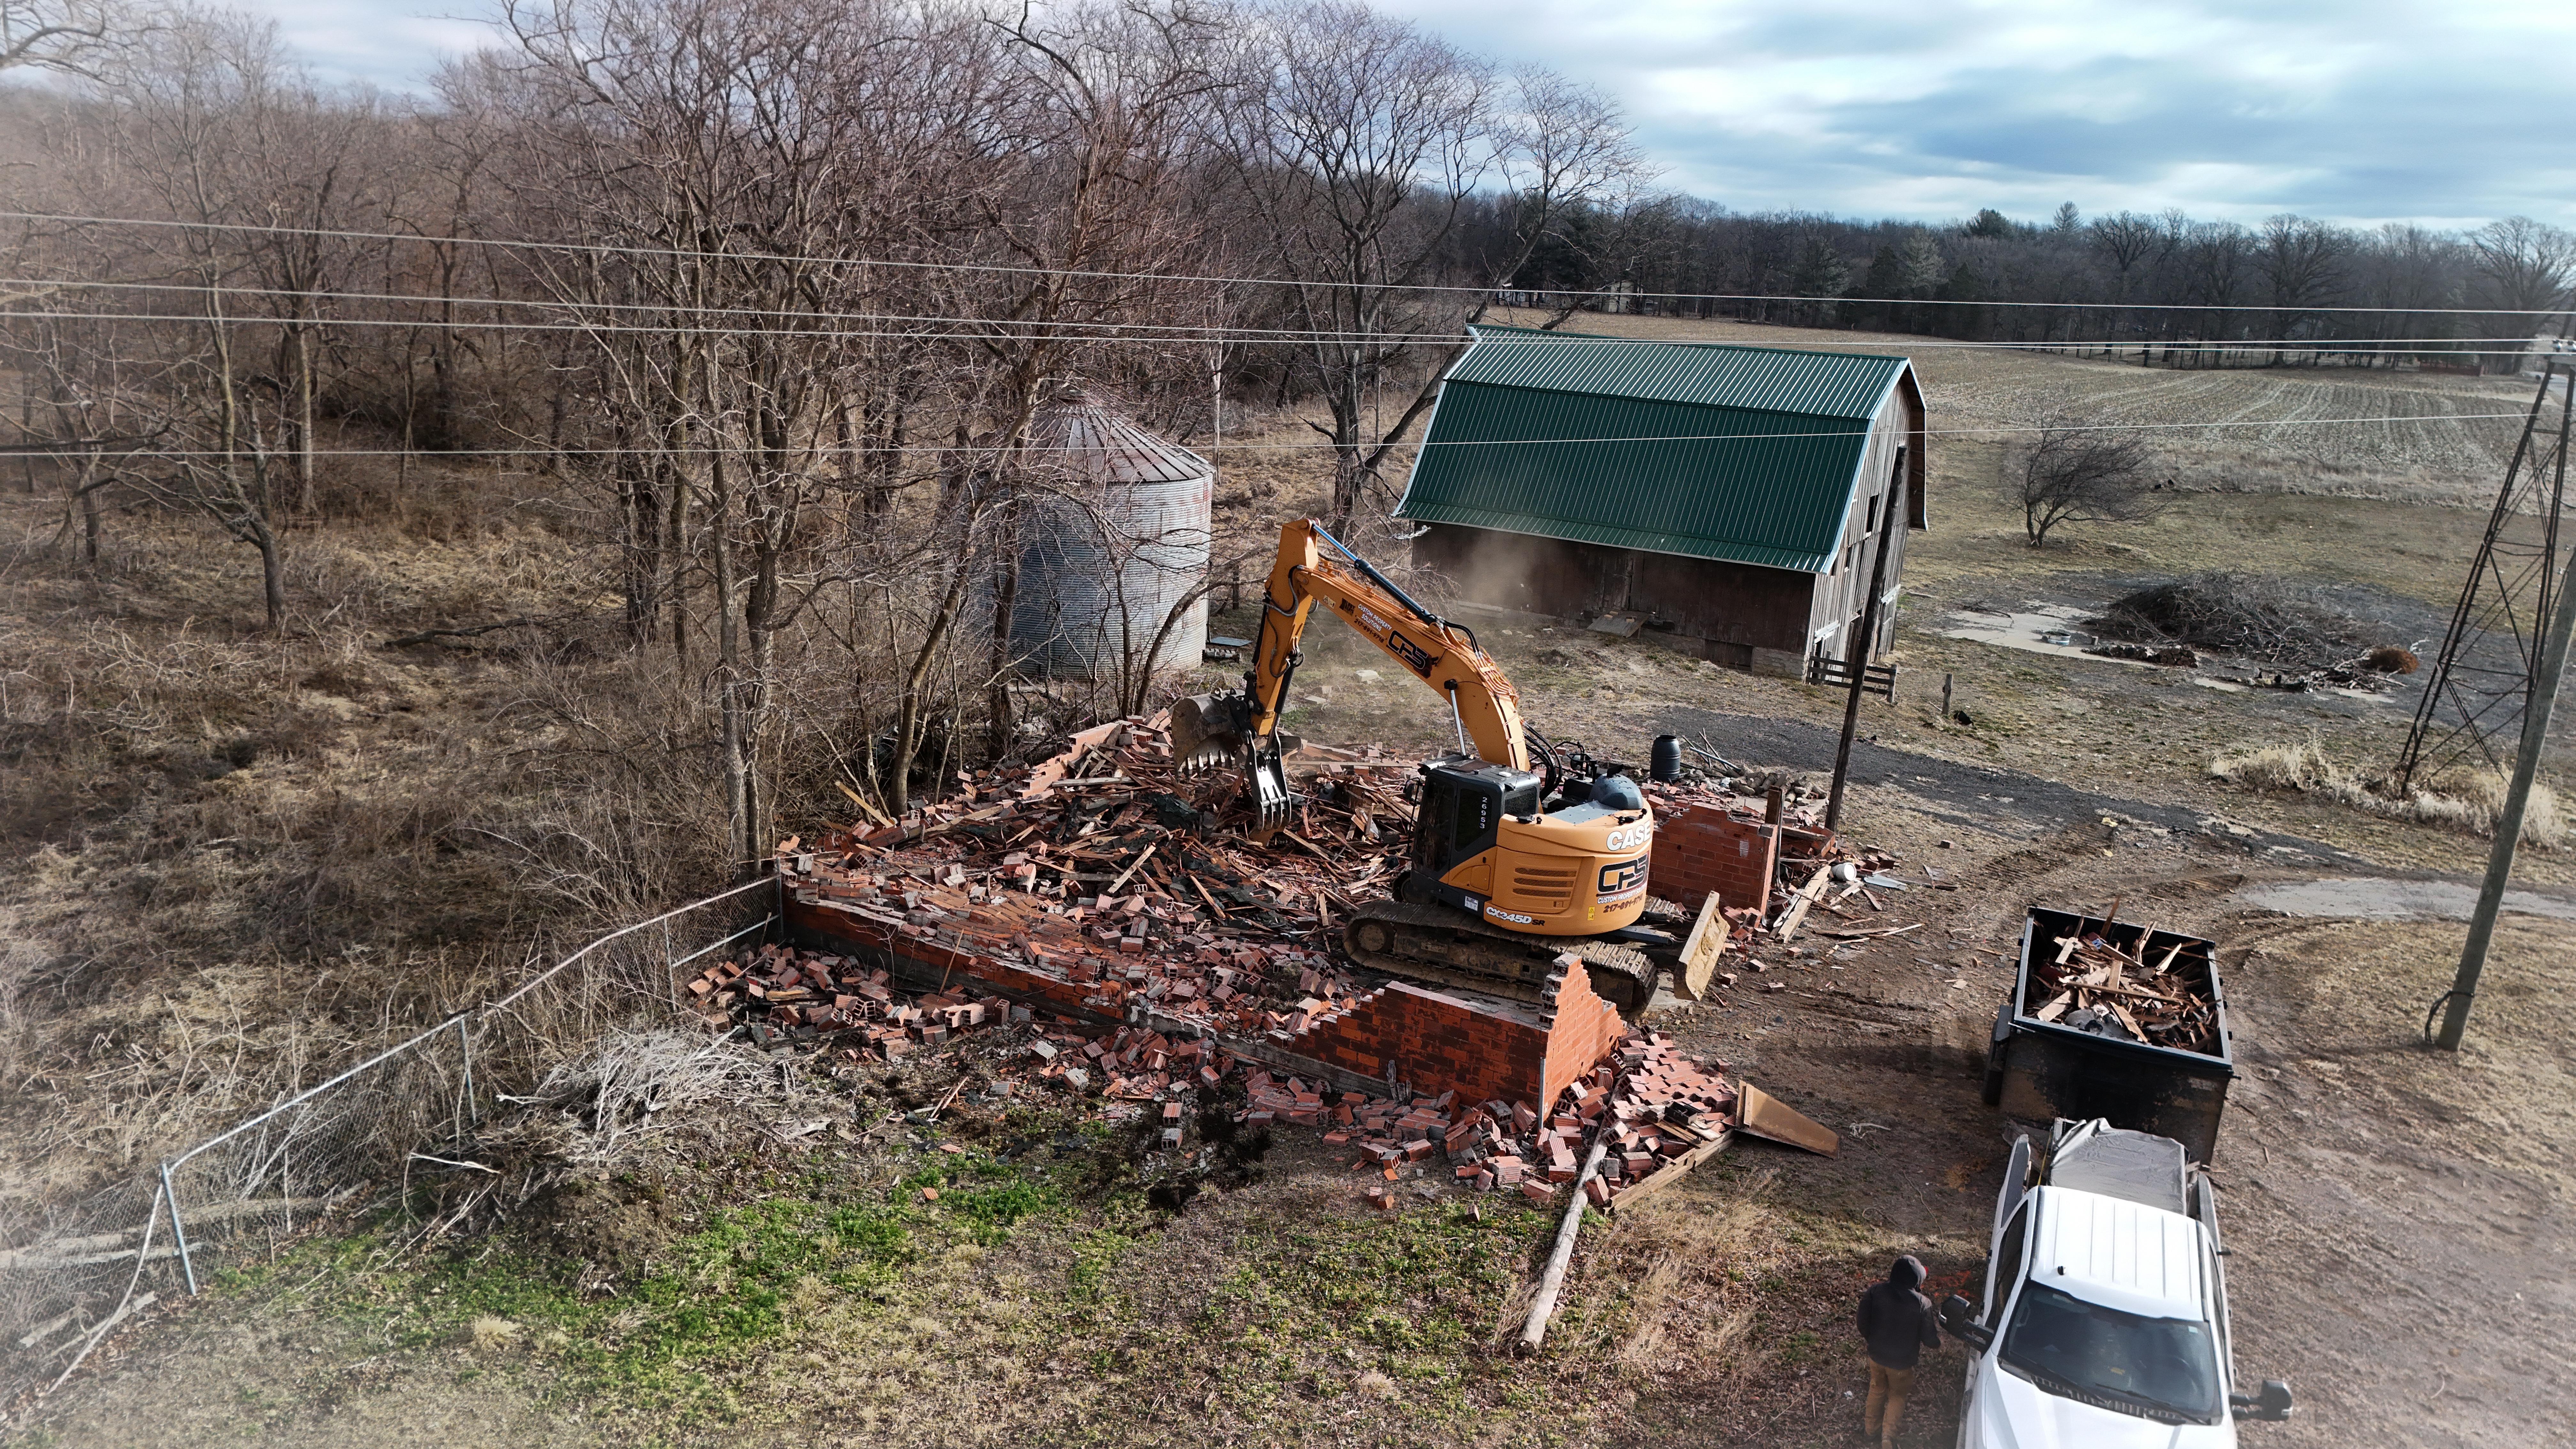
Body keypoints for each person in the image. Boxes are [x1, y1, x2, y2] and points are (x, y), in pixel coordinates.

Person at [1856, 1254, 1940, 1448]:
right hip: (1902, 1365)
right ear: (1917, 1280)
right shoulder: (1922, 1303)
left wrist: (1874, 1340)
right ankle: (1888, 1439)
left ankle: (1870, 1432)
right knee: (1897, 1397)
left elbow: (1862, 1323)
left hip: (1876, 1357)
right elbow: (1930, 1339)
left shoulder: (1875, 1292)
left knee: (1876, 1390)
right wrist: (1938, 1343)